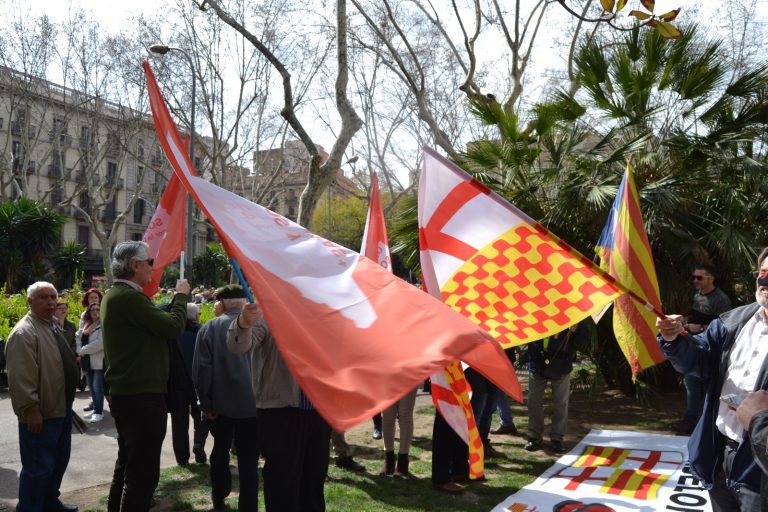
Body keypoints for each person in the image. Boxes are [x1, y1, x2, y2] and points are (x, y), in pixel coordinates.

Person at [656, 248, 768, 512]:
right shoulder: (733, 322)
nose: (764, 282)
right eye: (762, 273)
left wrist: (756, 417)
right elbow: (697, 360)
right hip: (719, 456)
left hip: (759, 471)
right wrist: (674, 339)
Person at [101, 241, 189, 511]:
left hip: (130, 395)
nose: (154, 266)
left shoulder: (117, 296)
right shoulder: (128, 298)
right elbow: (173, 327)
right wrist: (181, 296)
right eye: (149, 262)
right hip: (141, 398)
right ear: (135, 265)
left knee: (128, 463)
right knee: (143, 475)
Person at [229, 301, 331, 512]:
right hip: (281, 413)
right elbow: (238, 345)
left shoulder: (320, 312)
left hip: (318, 412)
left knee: (314, 482)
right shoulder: (268, 311)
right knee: (282, 484)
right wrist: (243, 323)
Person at [6, 281, 80, 512]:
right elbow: (21, 377)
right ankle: (30, 508)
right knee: (38, 468)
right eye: (44, 297)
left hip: (60, 408)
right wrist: (31, 409)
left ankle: (49, 502)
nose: (51, 302)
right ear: (30, 302)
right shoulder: (24, 332)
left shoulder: (50, 325)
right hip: (41, 413)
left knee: (58, 461)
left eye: (53, 297)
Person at [193, 285, 259, 511]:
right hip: (253, 407)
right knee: (249, 460)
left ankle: (219, 494)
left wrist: (206, 404)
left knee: (220, 452)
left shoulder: (210, 327)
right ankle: (248, 504)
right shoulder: (259, 326)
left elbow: (202, 371)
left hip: (220, 407)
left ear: (221, 304)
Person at [671, 263, 733, 435]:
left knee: (708, 387)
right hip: (695, 345)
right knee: (691, 383)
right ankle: (691, 420)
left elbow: (727, 326)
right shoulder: (698, 295)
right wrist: (686, 320)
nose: (695, 281)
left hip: (712, 349)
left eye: (699, 277)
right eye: (694, 277)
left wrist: (699, 328)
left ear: (711, 279)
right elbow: (697, 315)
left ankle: (707, 424)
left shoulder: (721, 299)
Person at [525, 323, 588, 453]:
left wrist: (577, 330)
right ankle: (534, 437)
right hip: (537, 363)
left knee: (561, 403)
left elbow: (584, 339)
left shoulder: (572, 311)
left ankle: (557, 439)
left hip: (561, 366)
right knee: (533, 400)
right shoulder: (534, 307)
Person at [168, 303, 208, 466]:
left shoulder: (171, 333)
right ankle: (199, 443)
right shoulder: (202, 331)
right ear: (196, 316)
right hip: (198, 380)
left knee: (179, 421)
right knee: (201, 416)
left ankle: (182, 457)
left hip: (177, 382)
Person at [76, 303, 106, 423]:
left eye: (98, 309)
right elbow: (78, 337)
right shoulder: (85, 325)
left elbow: (100, 343)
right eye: (92, 309)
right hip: (86, 361)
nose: (95, 311)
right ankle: (95, 410)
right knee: (91, 387)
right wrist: (79, 351)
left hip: (98, 360)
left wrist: (82, 351)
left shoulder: (103, 324)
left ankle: (99, 412)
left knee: (97, 387)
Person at [379, 385, 418, 476]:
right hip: (386, 374)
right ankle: (389, 460)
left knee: (405, 415)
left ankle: (403, 462)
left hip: (409, 373)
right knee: (387, 415)